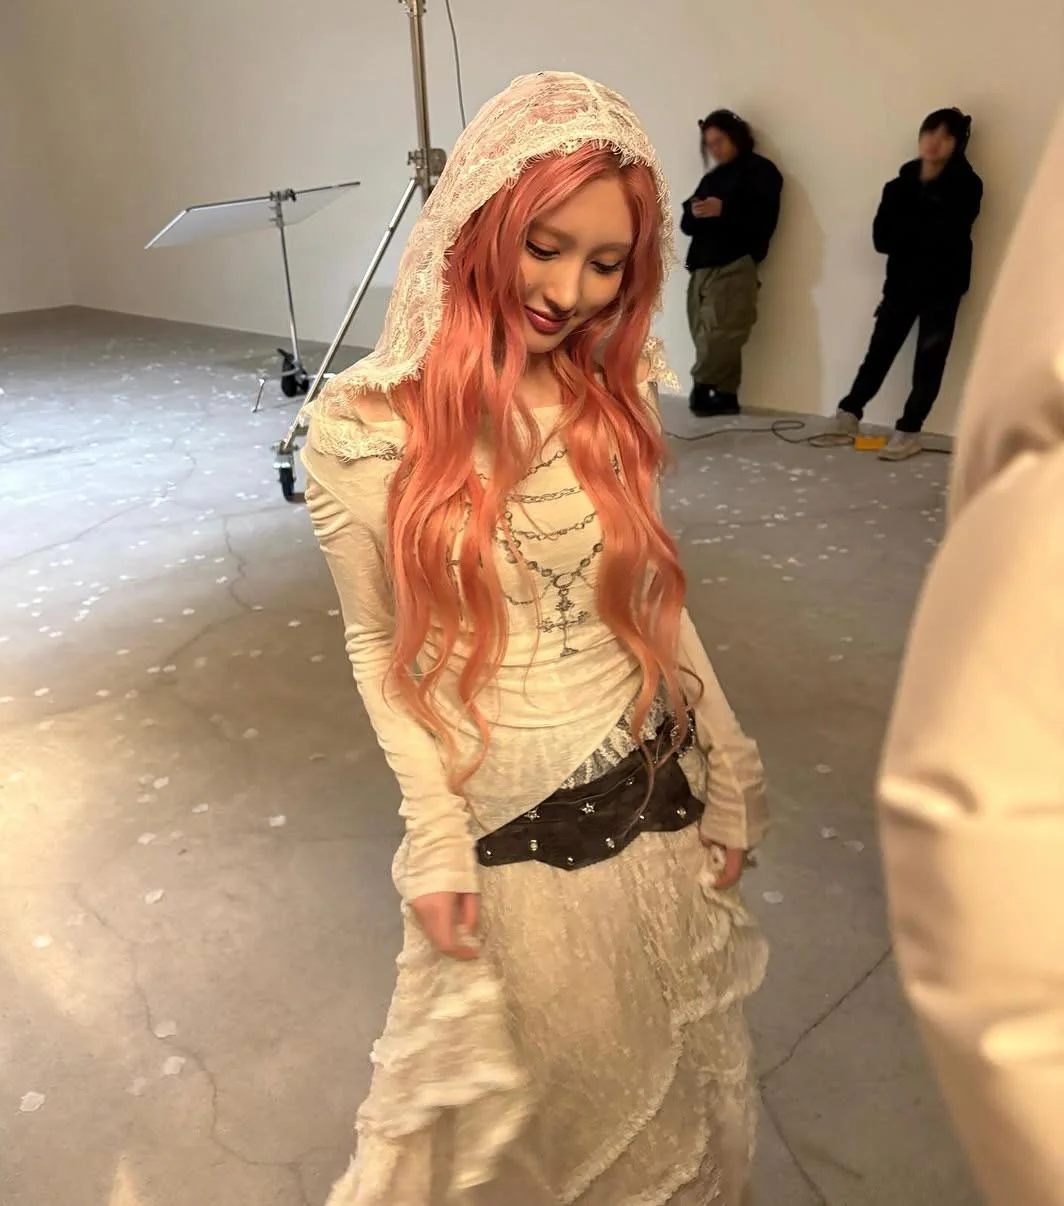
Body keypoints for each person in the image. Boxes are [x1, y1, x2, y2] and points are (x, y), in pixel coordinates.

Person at [301, 72, 769, 1206]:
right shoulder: (362, 430)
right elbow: (376, 649)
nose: (569, 293)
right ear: (480, 226)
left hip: (654, 796)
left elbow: (653, 604)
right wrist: (434, 835)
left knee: (678, 1103)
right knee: (555, 1131)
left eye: (607, 264)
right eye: (545, 248)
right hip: (511, 828)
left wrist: (735, 767)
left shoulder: (609, 397)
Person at [878, 110, 1064, 1206]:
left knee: (934, 354)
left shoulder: (968, 188)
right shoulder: (908, 182)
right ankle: (861, 407)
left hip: (945, 287)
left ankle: (903, 419)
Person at [835, 109, 983, 460]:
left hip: (943, 286)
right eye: (930, 132)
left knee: (929, 361)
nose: (934, 141)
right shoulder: (898, 186)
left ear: (958, 144)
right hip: (901, 283)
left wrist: (912, 228)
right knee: (879, 351)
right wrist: (922, 227)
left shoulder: (967, 185)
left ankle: (909, 430)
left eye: (945, 136)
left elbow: (948, 234)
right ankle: (848, 414)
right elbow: (882, 239)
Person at [681, 110, 783, 417]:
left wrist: (724, 209)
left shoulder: (761, 172)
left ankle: (701, 388)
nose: (714, 149)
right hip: (701, 264)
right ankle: (726, 395)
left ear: (736, 136)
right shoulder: (712, 178)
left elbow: (764, 219)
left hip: (735, 263)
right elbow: (687, 223)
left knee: (723, 332)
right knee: (705, 332)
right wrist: (696, 212)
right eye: (709, 144)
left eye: (719, 141)